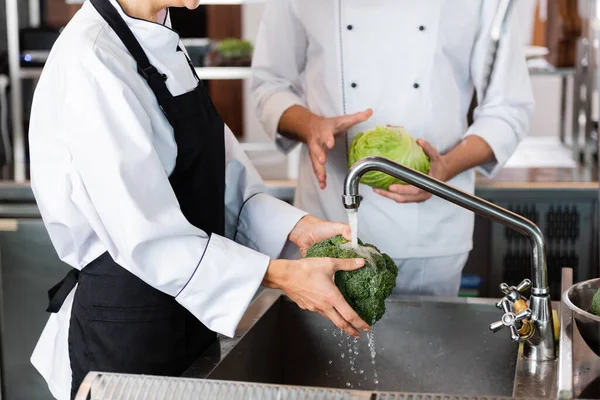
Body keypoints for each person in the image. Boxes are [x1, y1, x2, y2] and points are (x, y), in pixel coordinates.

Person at [28, 1, 370, 399]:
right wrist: (278, 275)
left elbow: (223, 176)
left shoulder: (156, 33)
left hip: (189, 318)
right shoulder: (91, 59)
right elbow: (147, 236)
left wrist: (297, 228)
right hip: (128, 333)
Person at [251, 1, 534, 297]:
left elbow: (509, 108)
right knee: (319, 342)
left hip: (429, 235)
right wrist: (310, 125)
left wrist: (445, 167)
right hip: (325, 221)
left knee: (427, 340)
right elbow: (268, 85)